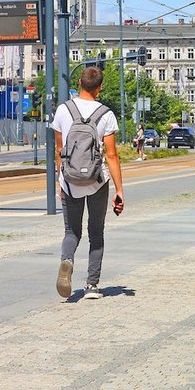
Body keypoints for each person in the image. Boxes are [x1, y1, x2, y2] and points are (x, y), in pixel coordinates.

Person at [53, 66, 125, 300]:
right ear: (100, 87)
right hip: (97, 181)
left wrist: (60, 181)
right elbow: (112, 155)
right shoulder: (106, 114)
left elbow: (59, 149)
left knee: (71, 231)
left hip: (70, 180)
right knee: (96, 232)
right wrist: (119, 190)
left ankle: (67, 260)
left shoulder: (64, 110)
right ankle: (92, 285)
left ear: (80, 84)